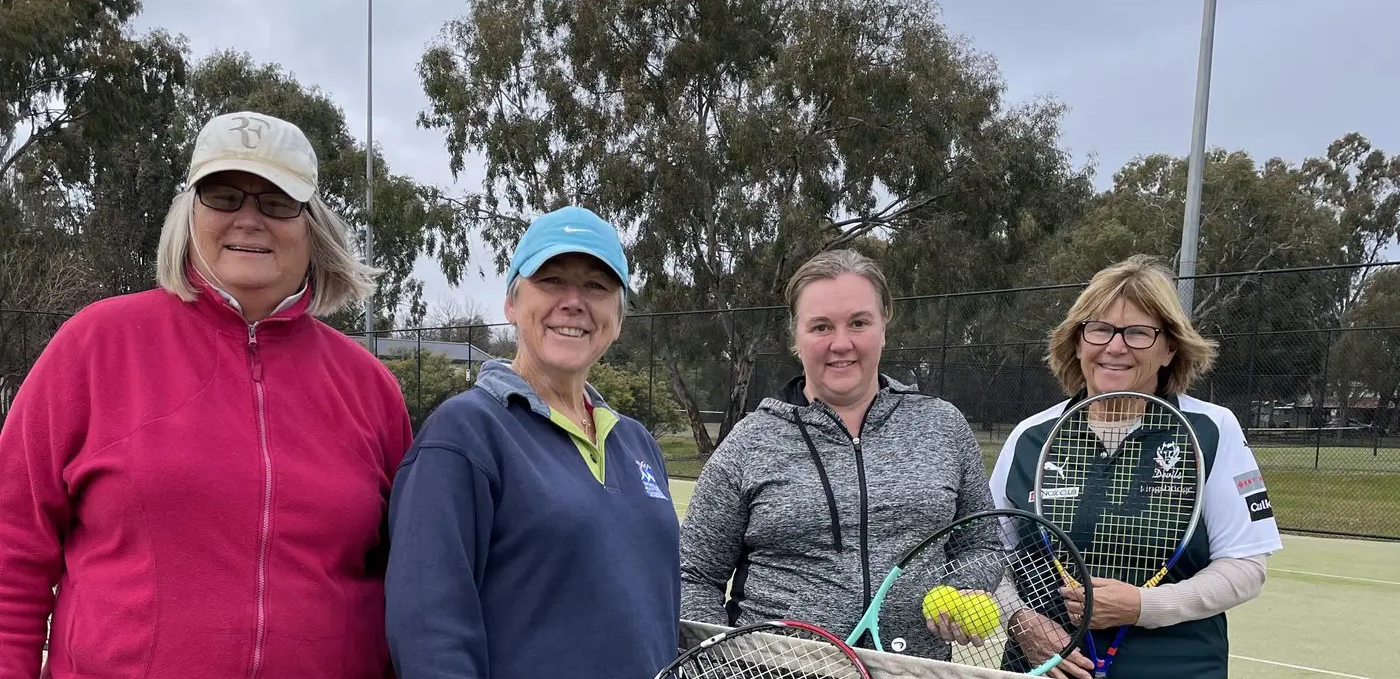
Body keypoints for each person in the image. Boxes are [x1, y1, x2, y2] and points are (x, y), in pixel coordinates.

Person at [0, 110, 415, 678]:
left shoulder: (372, 390)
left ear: (312, 225)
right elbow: (11, 551)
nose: (249, 219)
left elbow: (409, 581)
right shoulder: (94, 346)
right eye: (222, 196)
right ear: (189, 212)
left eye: (276, 201)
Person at [384, 205, 681, 679]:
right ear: (511, 303)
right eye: (550, 280)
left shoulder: (636, 443)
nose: (573, 301)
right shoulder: (464, 434)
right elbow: (430, 630)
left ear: (618, 318)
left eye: (596, 287)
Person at [678, 248, 1003, 661]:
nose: (841, 343)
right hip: (778, 671)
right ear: (795, 336)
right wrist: (724, 662)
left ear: (884, 324)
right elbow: (692, 574)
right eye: (820, 327)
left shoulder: (943, 426)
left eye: (858, 323)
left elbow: (983, 545)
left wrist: (964, 591)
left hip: (914, 668)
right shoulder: (750, 441)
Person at [990, 254, 1283, 679]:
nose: (1115, 346)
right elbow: (986, 554)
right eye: (1100, 328)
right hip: (1043, 666)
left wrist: (1144, 607)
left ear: (1169, 349)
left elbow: (1245, 569)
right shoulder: (1030, 437)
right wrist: (1020, 622)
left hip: (1175, 667)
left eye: (1138, 333)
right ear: (1077, 341)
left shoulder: (1212, 429)